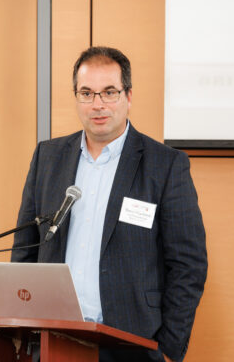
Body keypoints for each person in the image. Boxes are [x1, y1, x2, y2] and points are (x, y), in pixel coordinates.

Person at [11, 46, 207, 362]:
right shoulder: (48, 157)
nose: (98, 104)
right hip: (53, 341)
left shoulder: (165, 165)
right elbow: (25, 249)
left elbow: (189, 263)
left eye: (109, 92)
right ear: (75, 97)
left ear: (128, 96)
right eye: (87, 93)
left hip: (132, 344)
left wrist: (167, 347)